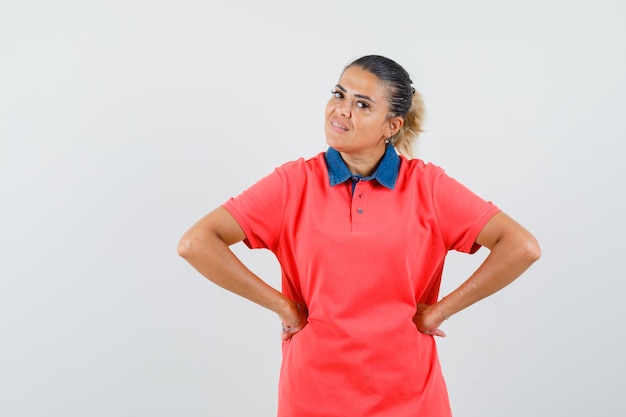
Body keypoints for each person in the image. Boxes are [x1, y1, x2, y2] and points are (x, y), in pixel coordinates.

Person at [178, 55, 541, 417]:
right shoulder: (293, 184)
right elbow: (197, 242)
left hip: (411, 399)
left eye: (362, 104)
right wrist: (283, 305)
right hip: (312, 397)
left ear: (392, 125)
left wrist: (440, 312)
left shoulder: (427, 187)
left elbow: (521, 246)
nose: (342, 111)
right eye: (339, 95)